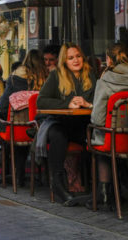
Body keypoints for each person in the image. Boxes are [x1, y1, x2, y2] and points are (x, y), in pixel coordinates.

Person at [36, 42, 96, 206]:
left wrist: (87, 103)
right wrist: (67, 103)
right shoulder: (56, 76)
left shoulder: (90, 75)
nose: (76, 60)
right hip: (58, 123)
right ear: (64, 61)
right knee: (59, 136)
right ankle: (58, 183)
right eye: (70, 58)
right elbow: (41, 101)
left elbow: (97, 100)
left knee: (95, 137)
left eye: (78, 56)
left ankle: (100, 187)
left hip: (82, 124)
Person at [87, 44, 128, 211]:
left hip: (113, 139)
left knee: (99, 137)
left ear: (109, 59)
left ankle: (104, 193)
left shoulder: (105, 80)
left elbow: (98, 118)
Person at [0, 49, 48, 185]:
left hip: (16, 130)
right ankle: (46, 177)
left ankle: (16, 176)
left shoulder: (14, 80)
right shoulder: (46, 80)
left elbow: (2, 106)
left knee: (11, 131)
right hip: (39, 130)